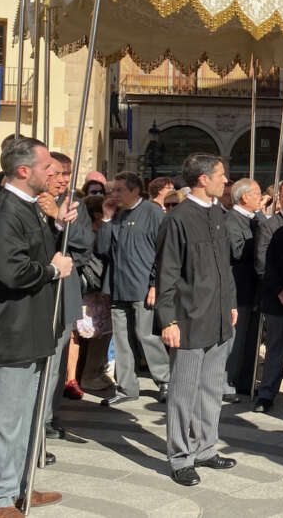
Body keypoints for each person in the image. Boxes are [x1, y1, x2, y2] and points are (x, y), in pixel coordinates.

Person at [0, 136, 75, 516]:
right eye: (48, 166)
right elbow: (12, 271)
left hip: (30, 327)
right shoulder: (4, 212)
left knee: (25, 418)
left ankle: (17, 487)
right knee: (3, 420)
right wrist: (52, 269)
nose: (55, 172)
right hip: (6, 331)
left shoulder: (28, 206)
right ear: (25, 170)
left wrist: (57, 223)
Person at [155, 153, 237, 487]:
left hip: (219, 318)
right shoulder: (178, 219)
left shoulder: (219, 212)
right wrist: (167, 320)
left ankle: (205, 448)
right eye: (220, 174)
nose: (225, 180)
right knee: (183, 392)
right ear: (203, 179)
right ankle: (180, 457)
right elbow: (167, 273)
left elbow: (225, 266)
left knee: (211, 389)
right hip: (188, 318)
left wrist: (230, 303)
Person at [97, 171, 170, 406]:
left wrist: (154, 284)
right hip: (118, 287)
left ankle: (165, 380)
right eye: (113, 190)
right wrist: (107, 219)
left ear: (135, 190)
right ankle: (126, 386)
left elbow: (163, 251)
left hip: (142, 286)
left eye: (119, 190)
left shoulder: (152, 212)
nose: (114, 194)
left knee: (145, 335)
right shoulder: (117, 215)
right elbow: (103, 248)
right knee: (121, 339)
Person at [40, 152, 95, 439]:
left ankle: (48, 416)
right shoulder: (32, 200)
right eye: (59, 173)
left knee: (59, 357)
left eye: (68, 174)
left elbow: (86, 242)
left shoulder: (74, 203)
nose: (63, 179)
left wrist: (60, 222)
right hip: (37, 292)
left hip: (64, 292)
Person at [252, 179, 283, 412]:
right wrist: (281, 293)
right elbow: (262, 264)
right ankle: (267, 393)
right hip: (276, 297)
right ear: (279, 199)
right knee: (276, 348)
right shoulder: (269, 226)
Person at [223, 178, 263, 401]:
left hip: (254, 290)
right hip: (238, 289)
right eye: (256, 193)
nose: (259, 198)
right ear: (245, 196)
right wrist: (260, 238)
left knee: (250, 341)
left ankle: (245, 381)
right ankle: (226, 383)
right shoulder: (231, 221)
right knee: (234, 342)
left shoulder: (253, 219)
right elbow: (237, 252)